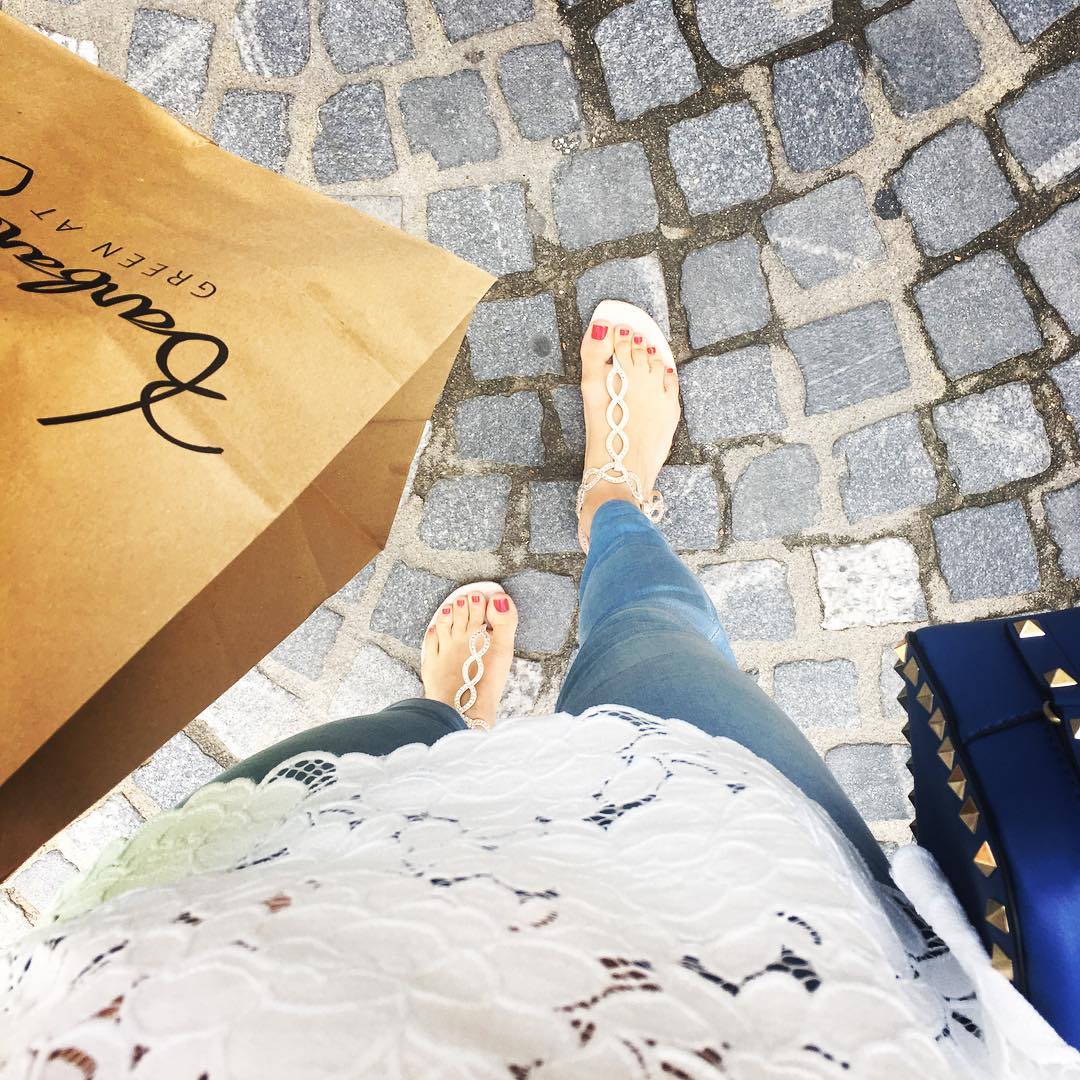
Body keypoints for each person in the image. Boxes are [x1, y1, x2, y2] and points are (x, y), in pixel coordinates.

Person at [0, 302, 1063, 1078]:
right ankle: (613, 502)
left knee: (384, 747)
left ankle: (449, 717)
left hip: (194, 960)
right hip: (739, 972)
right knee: (656, 650)